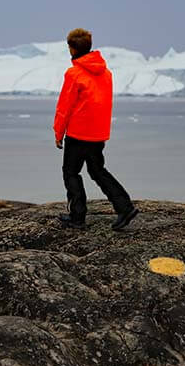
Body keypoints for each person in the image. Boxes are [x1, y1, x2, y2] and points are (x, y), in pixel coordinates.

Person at [53, 28, 138, 230]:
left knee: (71, 172)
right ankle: (124, 207)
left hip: (78, 133)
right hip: (98, 134)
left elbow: (64, 106)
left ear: (72, 48)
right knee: (97, 170)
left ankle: (77, 216)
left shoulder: (74, 74)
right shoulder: (106, 73)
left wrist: (59, 133)